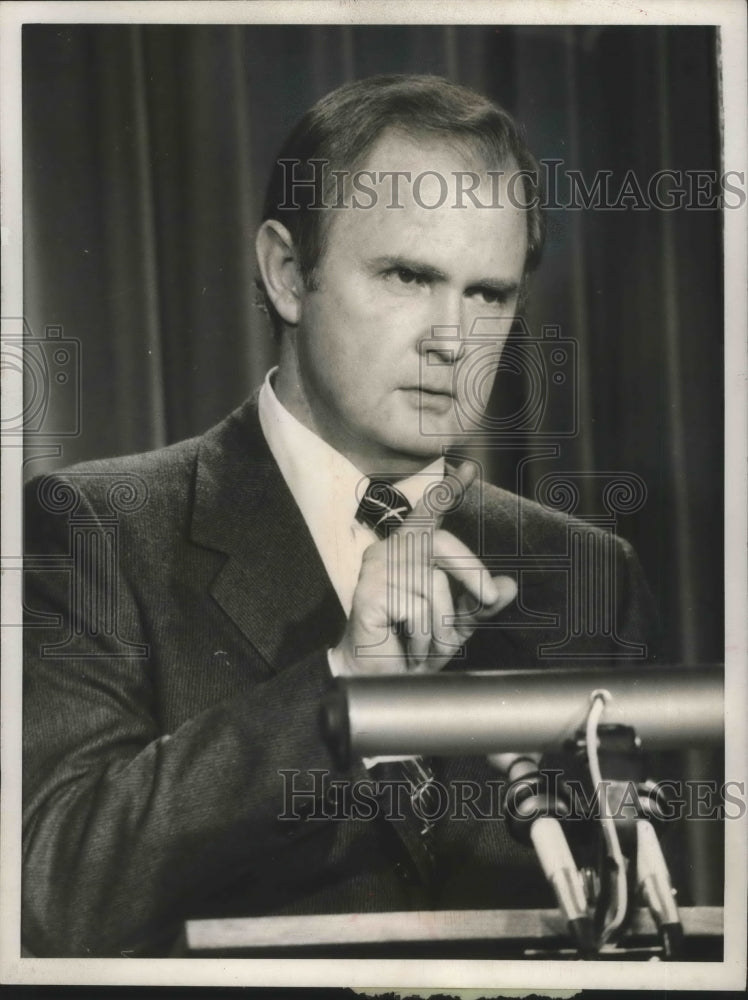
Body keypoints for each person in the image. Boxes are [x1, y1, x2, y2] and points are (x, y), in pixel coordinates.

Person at [22, 75, 657, 957]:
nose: (453, 340)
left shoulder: (588, 570)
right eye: (408, 275)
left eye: (490, 295)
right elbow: (49, 897)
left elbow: (642, 921)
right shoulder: (96, 527)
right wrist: (340, 683)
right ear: (288, 275)